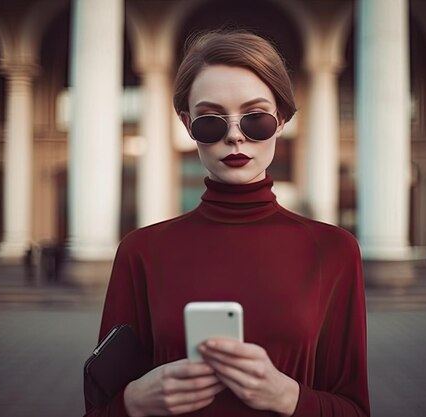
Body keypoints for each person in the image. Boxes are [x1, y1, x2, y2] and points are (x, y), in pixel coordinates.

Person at [84, 30, 369, 417]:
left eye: (256, 119)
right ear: (187, 125)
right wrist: (132, 403)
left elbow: (354, 408)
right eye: (210, 121)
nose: (235, 136)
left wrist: (290, 398)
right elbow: (100, 406)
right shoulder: (141, 251)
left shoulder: (333, 250)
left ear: (281, 120)